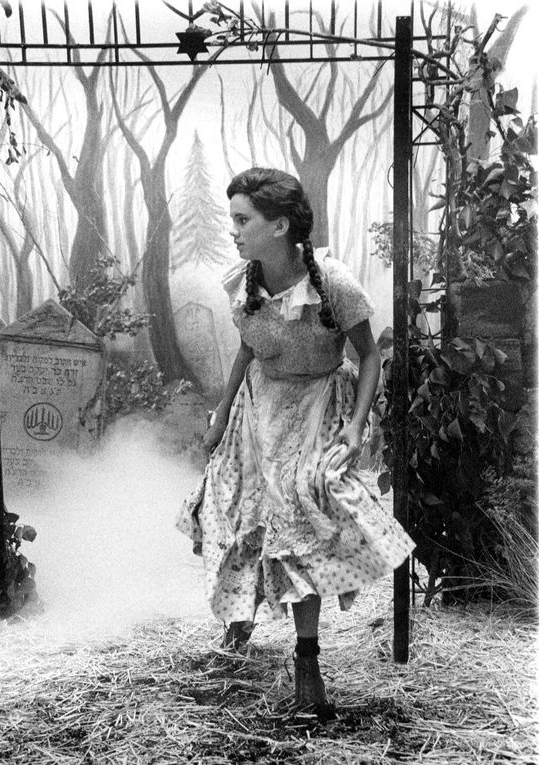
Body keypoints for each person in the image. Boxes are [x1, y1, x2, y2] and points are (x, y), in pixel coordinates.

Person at [177, 167, 415, 716]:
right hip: (257, 409)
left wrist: (356, 426)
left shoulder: (333, 283)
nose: (234, 231)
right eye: (233, 220)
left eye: (243, 220)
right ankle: (238, 624)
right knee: (239, 514)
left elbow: (369, 356)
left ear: (279, 225)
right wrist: (220, 415)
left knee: (301, 524)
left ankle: (307, 662)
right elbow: (247, 349)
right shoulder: (244, 282)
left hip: (316, 408)